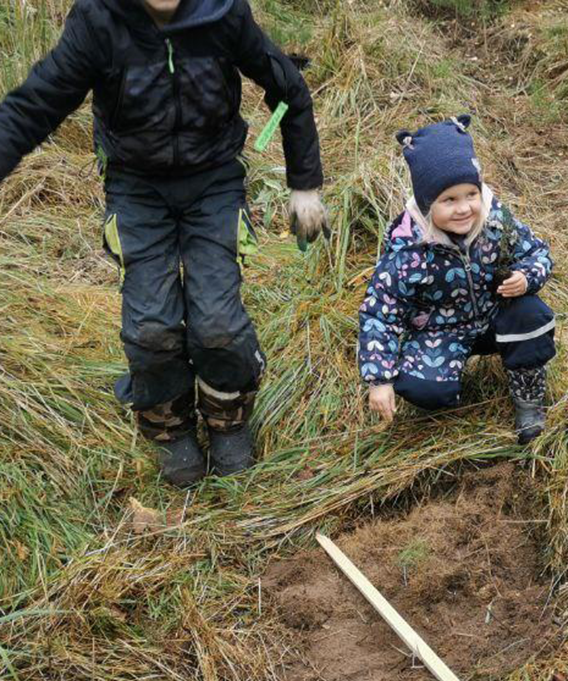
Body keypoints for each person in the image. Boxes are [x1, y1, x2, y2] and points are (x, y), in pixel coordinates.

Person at [0, 0, 330, 487]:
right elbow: (35, 105)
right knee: (151, 327)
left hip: (214, 180)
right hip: (136, 187)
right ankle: (169, 425)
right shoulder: (97, 20)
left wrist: (305, 185)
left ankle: (228, 417)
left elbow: (288, 87)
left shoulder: (224, 14)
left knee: (217, 322)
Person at [358, 115, 555, 443]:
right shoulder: (408, 246)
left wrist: (526, 277)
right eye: (449, 200)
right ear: (426, 204)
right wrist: (379, 379)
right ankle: (449, 388)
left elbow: (538, 253)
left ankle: (528, 401)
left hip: (496, 317)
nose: (464, 208)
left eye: (470, 195)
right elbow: (380, 311)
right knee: (422, 388)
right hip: (440, 330)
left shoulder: (496, 221)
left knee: (531, 315)